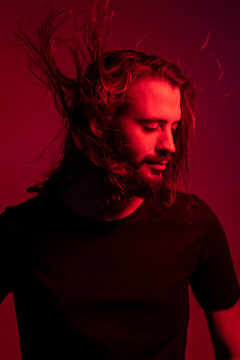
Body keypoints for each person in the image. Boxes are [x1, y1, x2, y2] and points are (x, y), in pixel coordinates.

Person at [1, 1, 240, 359]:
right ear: (99, 125)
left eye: (174, 128)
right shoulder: (20, 231)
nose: (170, 146)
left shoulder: (195, 224)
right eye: (150, 127)